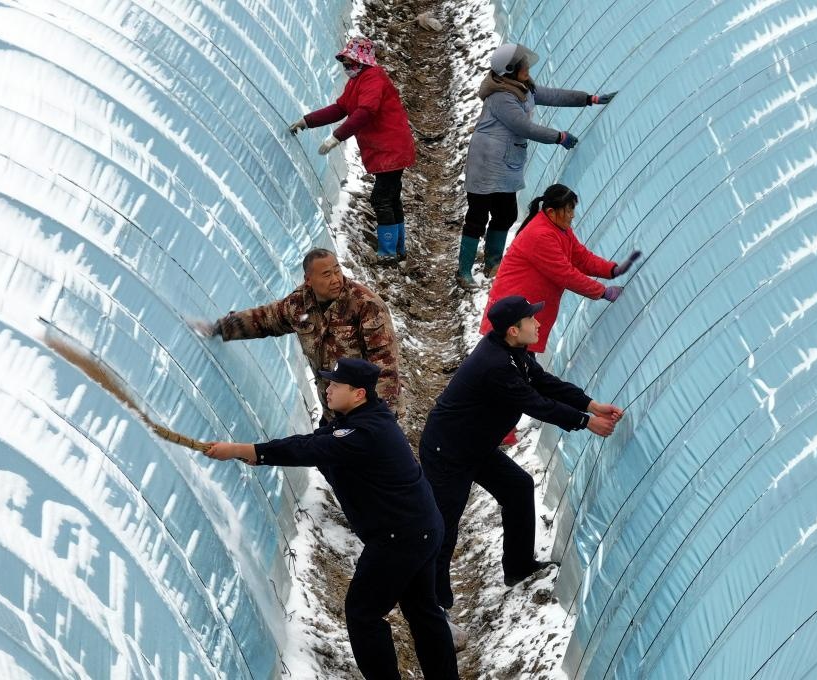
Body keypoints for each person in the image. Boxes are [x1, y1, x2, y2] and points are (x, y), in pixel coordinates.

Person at [204, 359, 459, 680]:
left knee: (363, 614)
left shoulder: (363, 432)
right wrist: (255, 453)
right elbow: (312, 443)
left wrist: (243, 449)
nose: (328, 389)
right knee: (423, 611)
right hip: (421, 527)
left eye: (336, 385)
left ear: (359, 393)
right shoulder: (365, 418)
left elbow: (311, 449)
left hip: (400, 538)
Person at [419, 295, 624, 614]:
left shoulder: (514, 352)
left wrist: (590, 405)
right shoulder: (496, 366)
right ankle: (435, 607)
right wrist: (586, 422)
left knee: (518, 487)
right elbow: (535, 403)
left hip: (475, 445)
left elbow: (543, 383)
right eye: (531, 319)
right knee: (443, 526)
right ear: (514, 330)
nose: (538, 323)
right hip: (449, 451)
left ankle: (518, 567)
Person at [457, 43, 618, 286]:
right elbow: (524, 127)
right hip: (485, 162)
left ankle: (493, 263)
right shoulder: (501, 97)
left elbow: (553, 95)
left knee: (506, 214)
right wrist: (558, 137)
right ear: (510, 70)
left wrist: (588, 98)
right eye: (522, 64)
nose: (527, 67)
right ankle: (464, 272)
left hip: (505, 162)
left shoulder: (523, 88)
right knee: (477, 217)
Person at [200, 248, 401, 422]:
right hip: (333, 410)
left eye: (337, 271)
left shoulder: (366, 305)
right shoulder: (299, 304)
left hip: (365, 410)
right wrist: (221, 328)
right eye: (326, 275)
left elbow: (384, 366)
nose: (335, 280)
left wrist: (377, 418)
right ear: (308, 280)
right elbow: (265, 319)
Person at [289, 37, 416, 263]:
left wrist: (336, 137)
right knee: (390, 197)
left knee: (381, 198)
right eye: (345, 63)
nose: (346, 67)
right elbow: (340, 108)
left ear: (363, 61)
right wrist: (307, 121)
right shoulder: (357, 81)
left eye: (350, 62)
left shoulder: (373, 78)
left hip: (390, 148)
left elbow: (366, 111)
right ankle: (398, 249)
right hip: (386, 148)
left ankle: (389, 252)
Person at [480, 183, 642, 354]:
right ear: (551, 212)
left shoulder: (560, 229)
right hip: (511, 317)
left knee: (521, 363)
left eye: (573, 209)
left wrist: (611, 270)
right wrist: (603, 292)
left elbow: (581, 258)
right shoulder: (540, 235)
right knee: (508, 362)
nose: (572, 215)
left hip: (524, 317)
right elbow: (566, 275)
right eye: (568, 210)